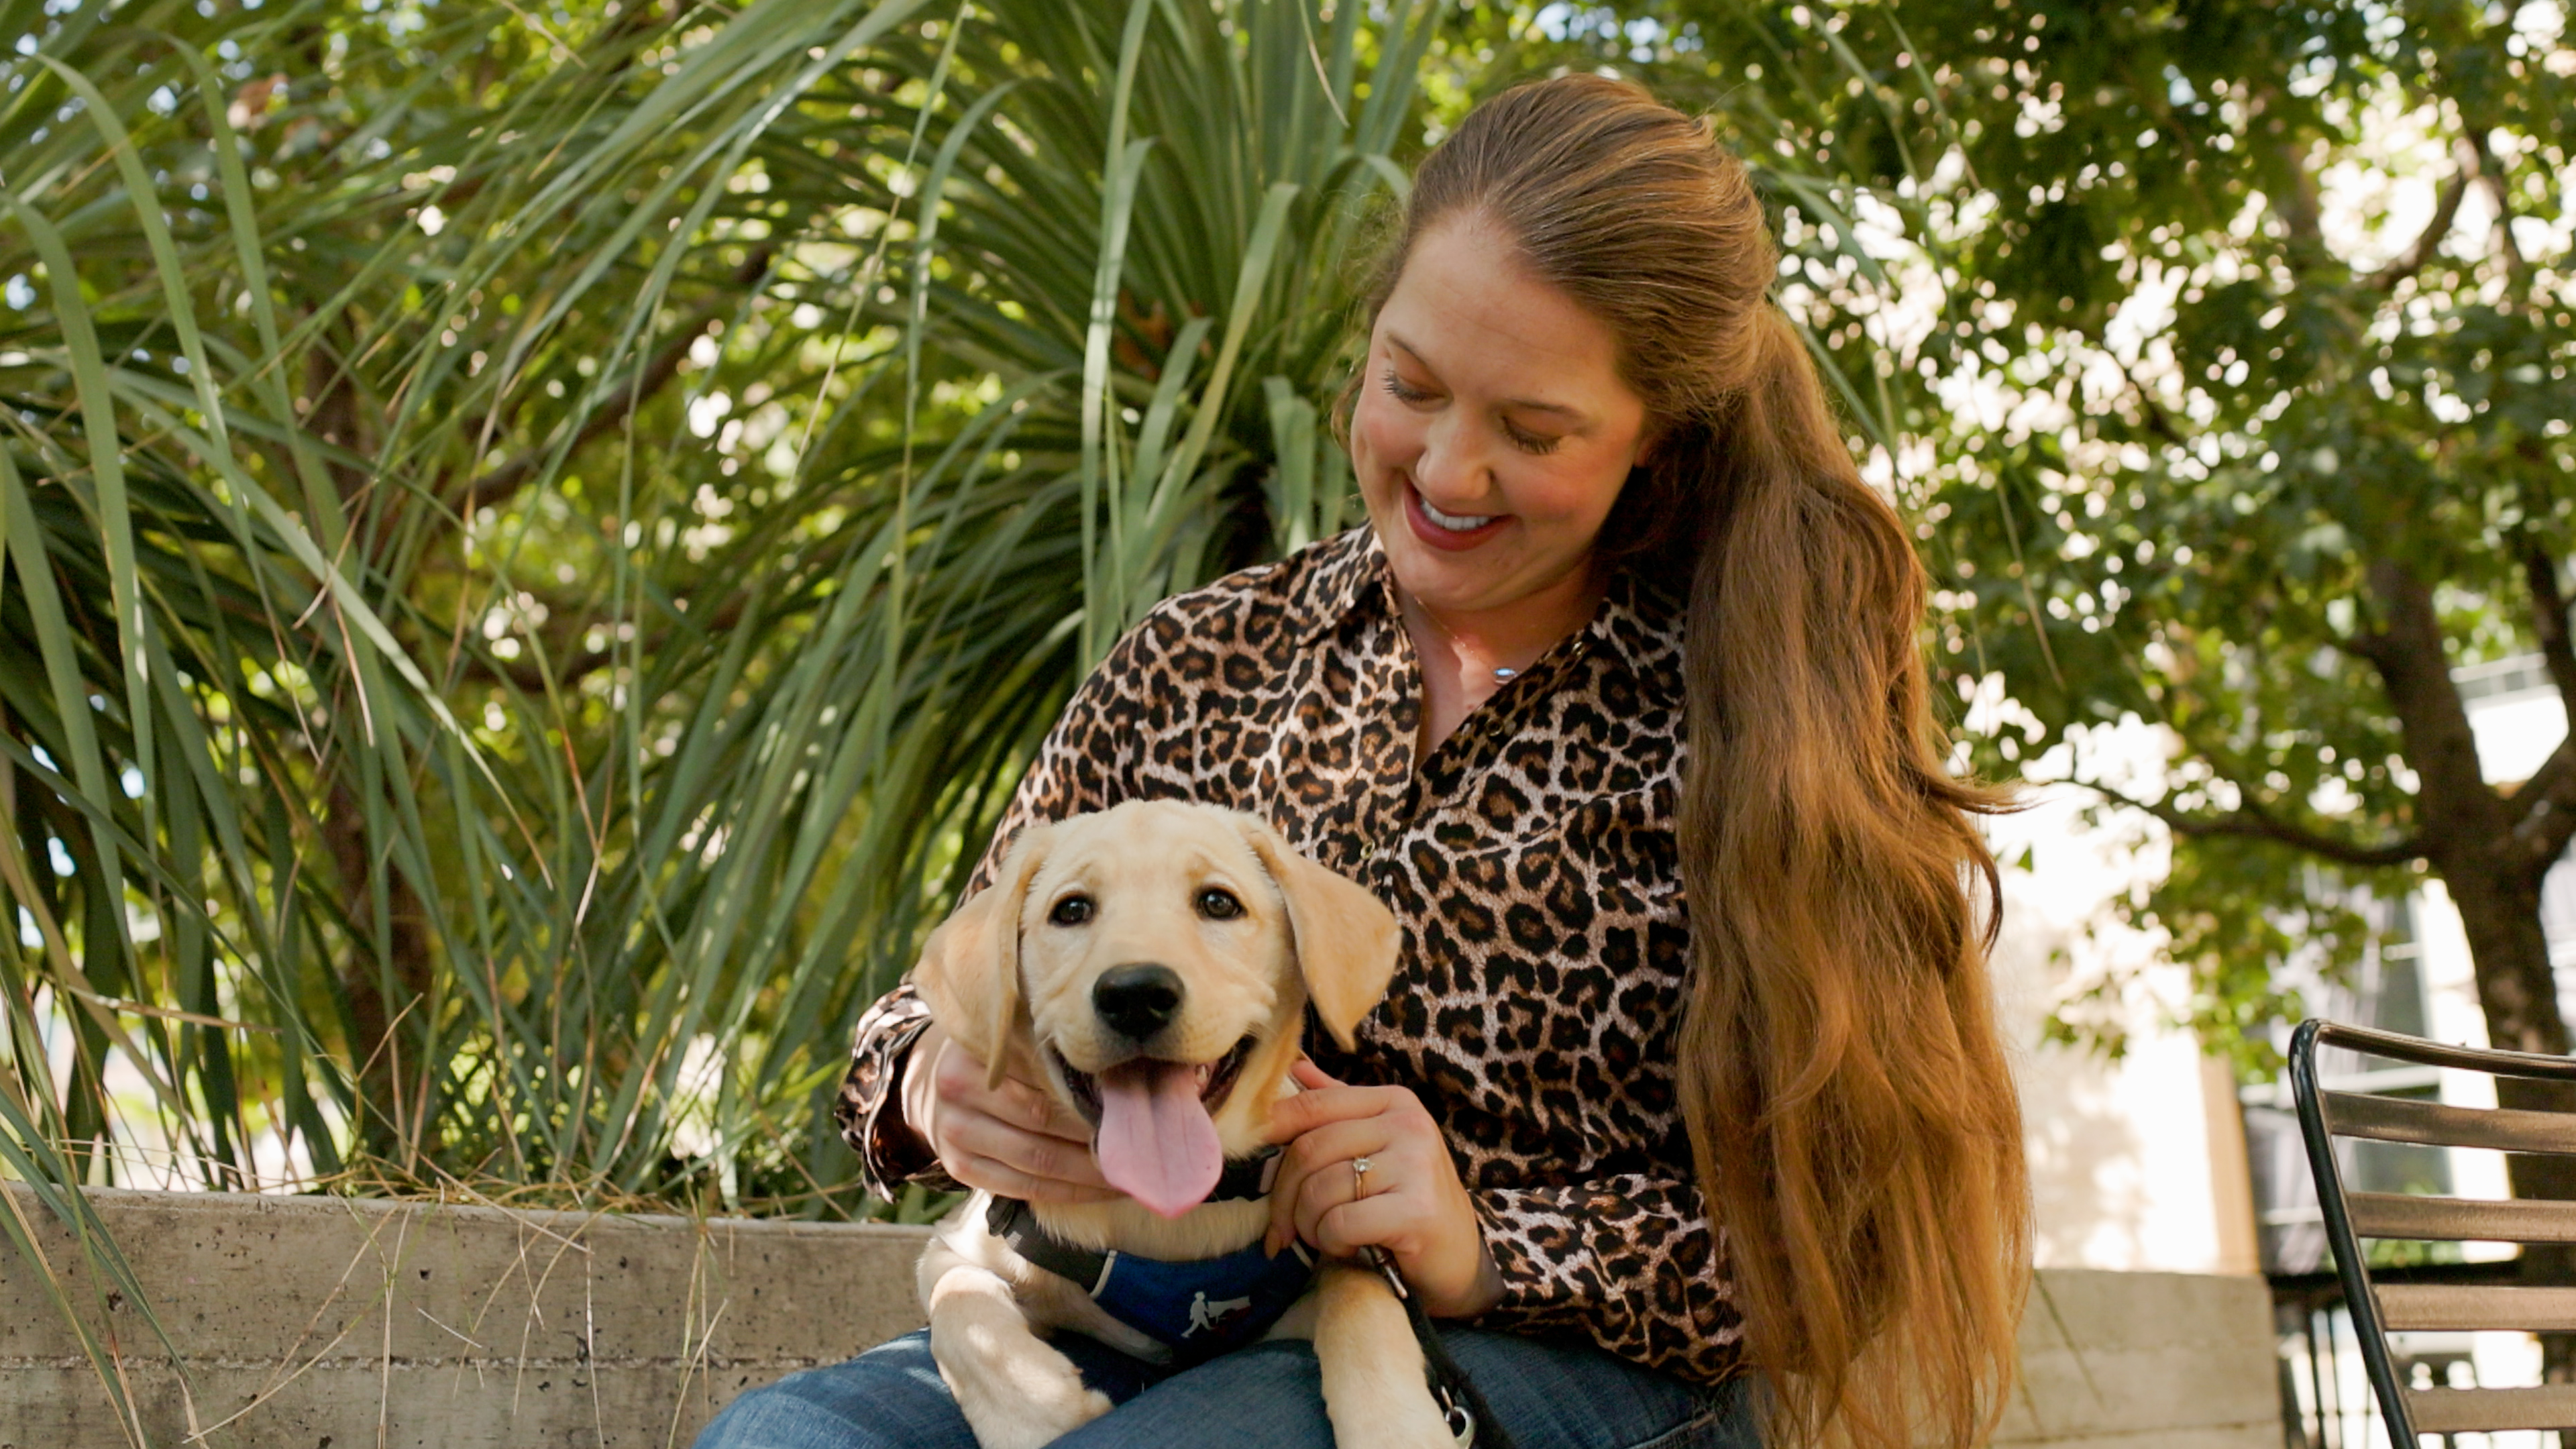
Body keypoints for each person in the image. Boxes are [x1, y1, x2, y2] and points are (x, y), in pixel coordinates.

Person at [697, 73, 2028, 1449]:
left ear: (1658, 439)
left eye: (1534, 431)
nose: (1449, 472)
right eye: (1411, 385)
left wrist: (1488, 1242)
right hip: (1138, 1321)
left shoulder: (1755, 722)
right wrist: (935, 1091)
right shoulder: (1201, 656)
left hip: (1544, 1364)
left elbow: (1845, 1249)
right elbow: (915, 1016)